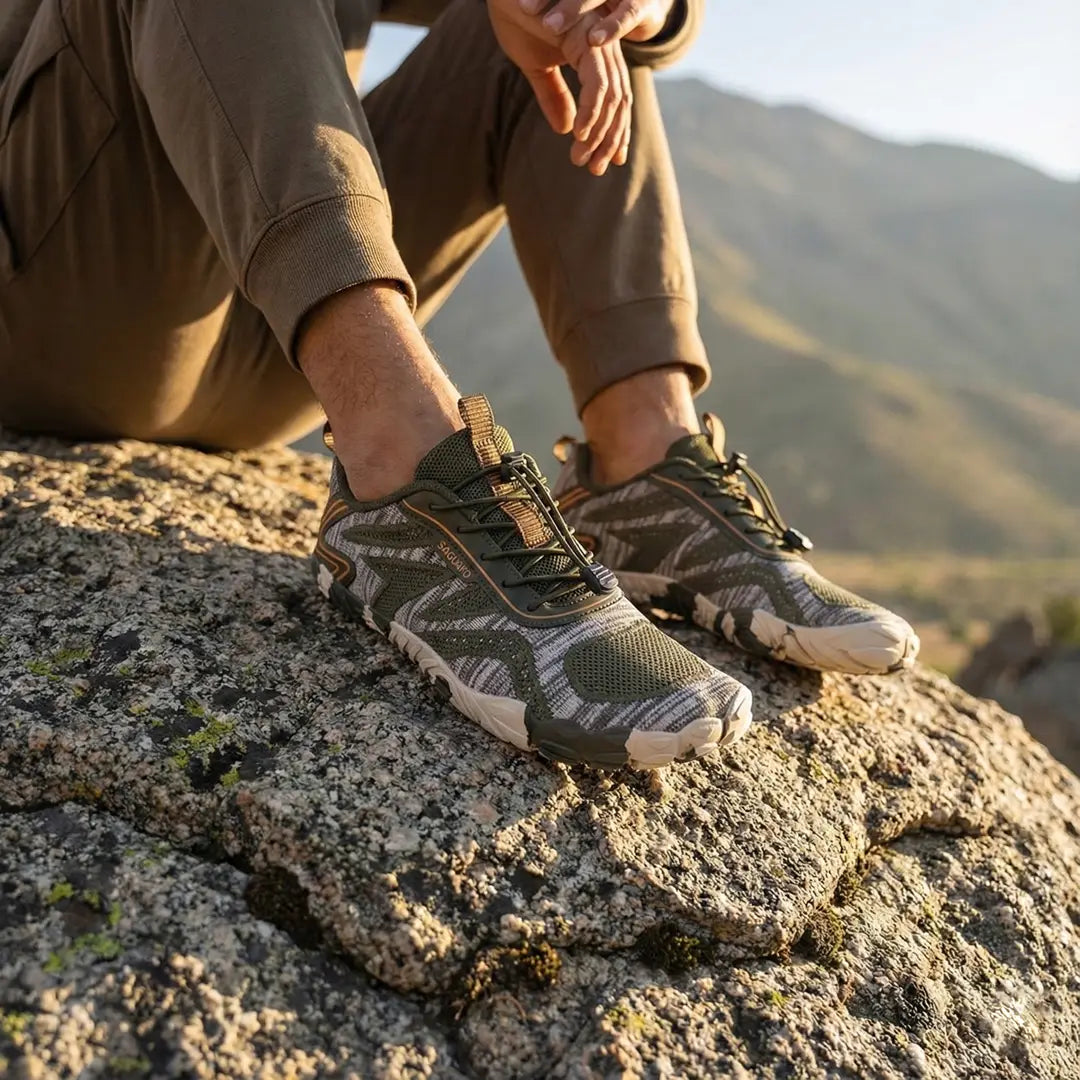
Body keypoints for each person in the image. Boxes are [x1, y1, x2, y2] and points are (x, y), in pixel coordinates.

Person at [0, 0, 918, 771]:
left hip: (274, 333)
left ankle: (643, 465)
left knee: (545, 26)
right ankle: (404, 465)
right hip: (64, 310)